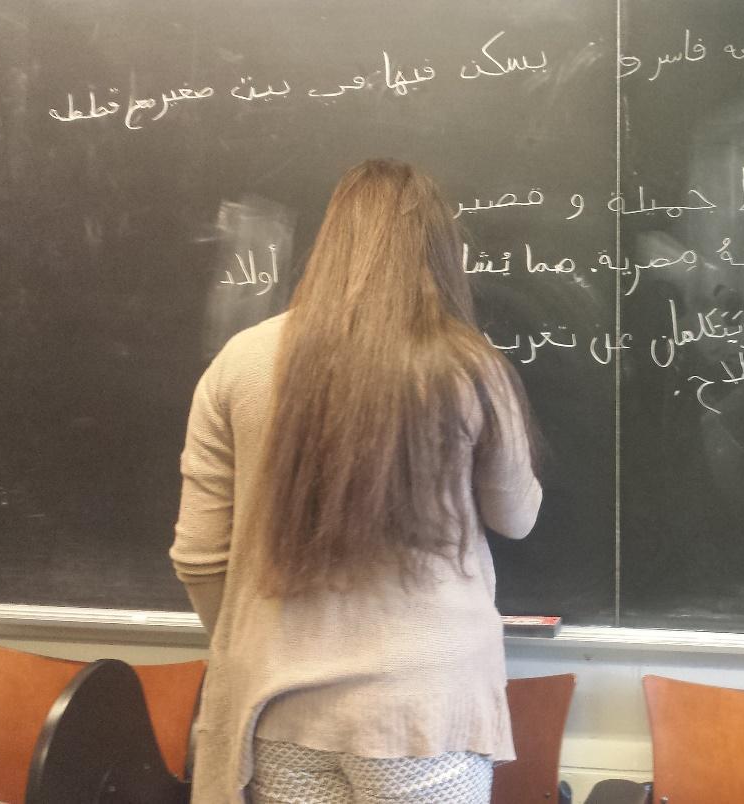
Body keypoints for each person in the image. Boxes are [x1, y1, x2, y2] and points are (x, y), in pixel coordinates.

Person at [171, 159, 542, 803]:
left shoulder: (241, 362)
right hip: (423, 709)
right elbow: (515, 516)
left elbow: (198, 557)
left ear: (330, 243)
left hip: (277, 707)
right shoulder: (468, 365)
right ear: (440, 252)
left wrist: (261, 640)